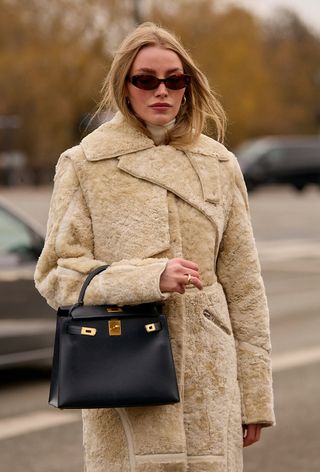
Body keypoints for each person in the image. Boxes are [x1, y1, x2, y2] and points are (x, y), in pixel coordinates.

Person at [35, 22, 275, 472]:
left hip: (210, 377)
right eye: (146, 79)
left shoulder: (220, 164)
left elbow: (245, 289)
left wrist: (255, 396)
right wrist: (147, 278)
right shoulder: (86, 164)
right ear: (125, 87)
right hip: (122, 370)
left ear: (188, 87)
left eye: (174, 80)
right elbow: (56, 274)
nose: (160, 90)